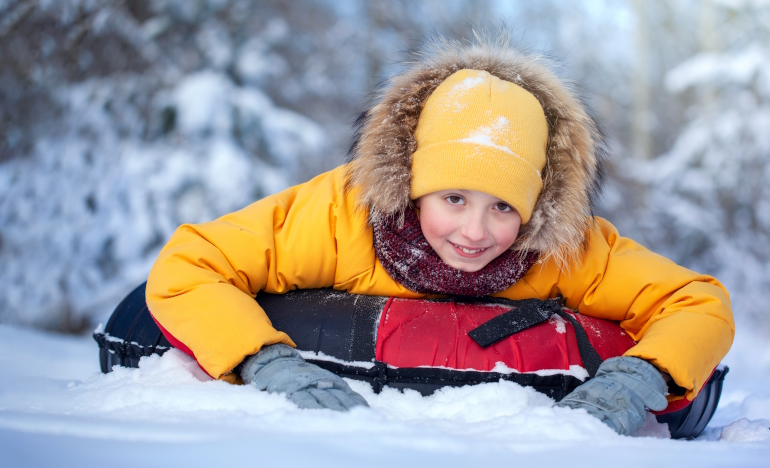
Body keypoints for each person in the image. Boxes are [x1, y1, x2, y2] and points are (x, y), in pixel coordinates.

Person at [145, 34, 734, 435]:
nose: (475, 232)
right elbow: (190, 265)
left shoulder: (566, 248)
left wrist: (638, 375)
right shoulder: (337, 214)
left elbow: (698, 302)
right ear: (413, 182)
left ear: (536, 206)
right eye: (453, 199)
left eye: (504, 207)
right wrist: (266, 361)